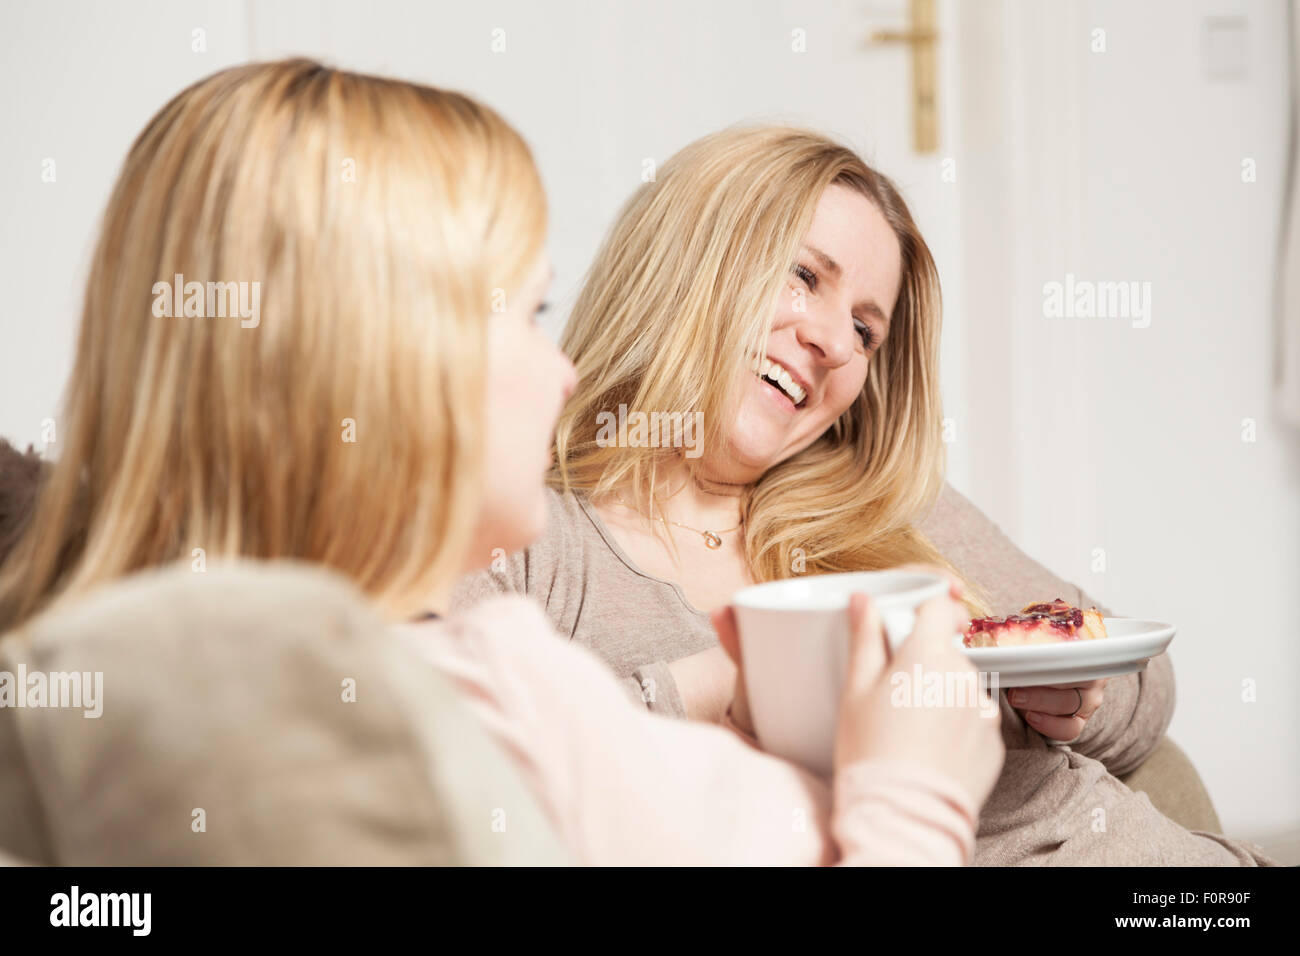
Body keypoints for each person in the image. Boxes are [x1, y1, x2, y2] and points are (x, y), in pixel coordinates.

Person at [0, 59, 1003, 865]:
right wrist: (917, 794)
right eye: (530, 315)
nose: (564, 369)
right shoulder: (488, 689)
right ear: (387, 365)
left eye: (866, 328)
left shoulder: (98, 680)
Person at [453, 125, 1277, 866]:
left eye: (865, 330)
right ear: (688, 261)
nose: (831, 342)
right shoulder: (526, 534)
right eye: (805, 275)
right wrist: (739, 685)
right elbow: (478, 788)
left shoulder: (879, 503)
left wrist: (1073, 702)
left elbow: (1148, 685)